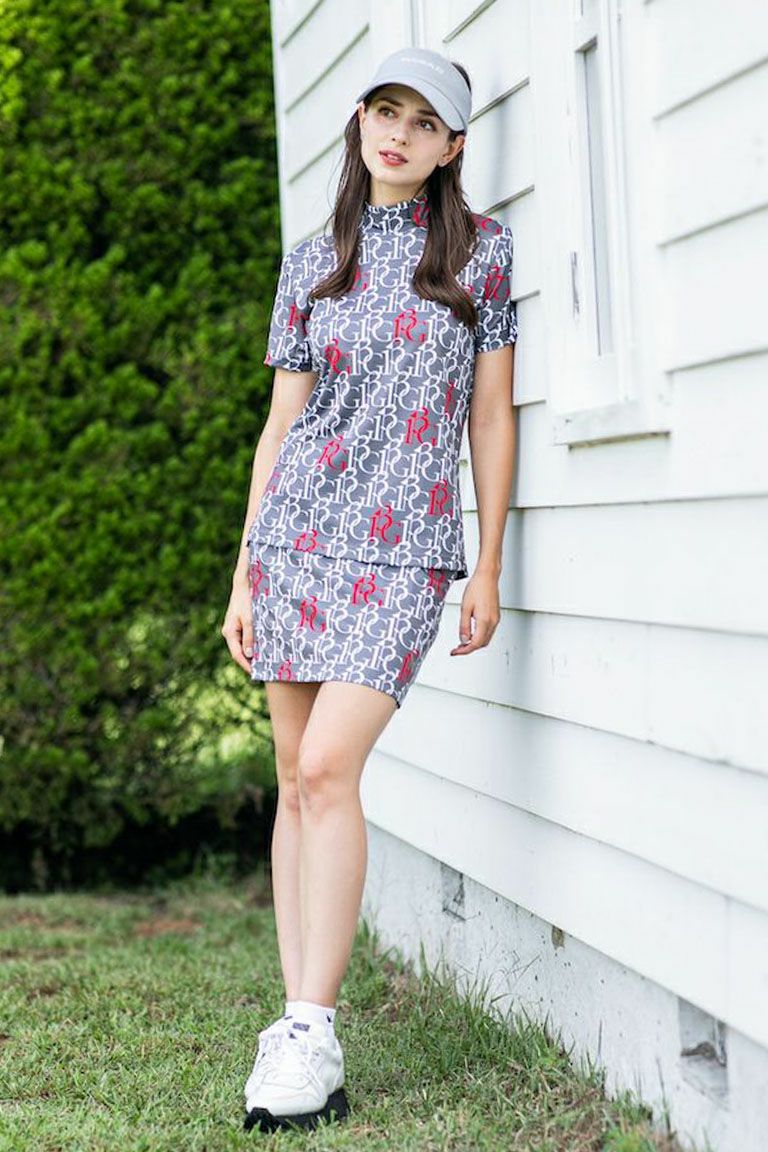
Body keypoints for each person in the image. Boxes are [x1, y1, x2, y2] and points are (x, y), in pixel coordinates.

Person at [221, 44, 518, 1134]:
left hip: (405, 553)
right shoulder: (312, 261)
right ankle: (296, 1027)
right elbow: (281, 427)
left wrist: (487, 561)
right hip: (296, 540)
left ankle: (314, 1023)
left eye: (421, 122)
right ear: (359, 120)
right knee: (293, 779)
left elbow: (491, 413)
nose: (397, 134)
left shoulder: (483, 252)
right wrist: (245, 570)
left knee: (326, 766)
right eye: (384, 112)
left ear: (451, 147)